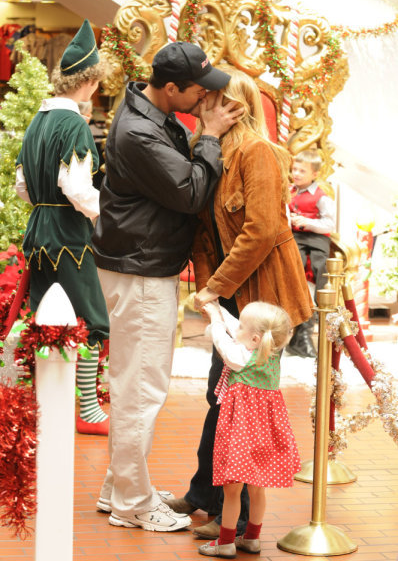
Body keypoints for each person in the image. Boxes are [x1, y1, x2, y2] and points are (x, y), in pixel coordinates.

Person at [91, 41, 244, 532]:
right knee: (142, 389)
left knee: (133, 381)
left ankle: (120, 486)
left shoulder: (148, 111)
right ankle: (133, 505)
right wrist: (212, 135)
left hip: (139, 263)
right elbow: (192, 191)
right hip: (140, 269)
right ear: (171, 87)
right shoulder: (140, 131)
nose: (209, 97)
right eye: (202, 90)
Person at [167, 67, 312, 539]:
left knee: (242, 403)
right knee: (221, 397)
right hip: (234, 297)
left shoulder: (258, 152)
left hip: (265, 300)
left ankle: (239, 519)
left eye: (210, 99)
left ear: (234, 106)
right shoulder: (216, 152)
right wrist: (211, 295)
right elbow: (205, 236)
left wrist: (213, 289)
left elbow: (262, 230)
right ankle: (206, 497)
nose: (200, 105)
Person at [15, 19, 110, 436]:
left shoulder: (37, 122)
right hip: (69, 235)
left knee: (46, 318)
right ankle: (87, 408)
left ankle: (44, 401)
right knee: (90, 320)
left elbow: (22, 187)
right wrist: (102, 213)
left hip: (39, 230)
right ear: (89, 82)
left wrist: (45, 205)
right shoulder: (73, 124)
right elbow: (76, 187)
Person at [197, 300, 300, 558]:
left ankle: (226, 542)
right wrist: (218, 308)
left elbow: (223, 341)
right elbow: (236, 328)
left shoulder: (241, 357)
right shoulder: (271, 353)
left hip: (240, 435)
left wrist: (214, 318)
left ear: (255, 337)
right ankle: (252, 538)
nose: (237, 328)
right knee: (257, 487)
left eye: (243, 326)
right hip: (264, 435)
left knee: (232, 489)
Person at [286, 149, 336, 357]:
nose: (296, 174)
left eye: (302, 171)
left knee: (319, 271)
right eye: (294, 169)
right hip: (294, 238)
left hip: (316, 239)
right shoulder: (288, 191)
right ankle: (297, 333)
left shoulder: (321, 197)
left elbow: (329, 224)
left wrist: (307, 222)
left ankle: (305, 334)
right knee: (292, 272)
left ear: (314, 174)